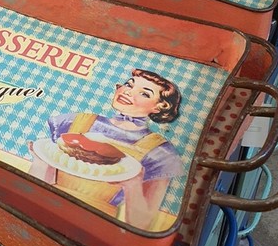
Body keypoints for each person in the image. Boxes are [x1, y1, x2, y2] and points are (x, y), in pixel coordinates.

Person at [30, 69, 183, 231]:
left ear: (160, 107)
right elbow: (38, 183)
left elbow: (141, 224)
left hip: (95, 225)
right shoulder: (75, 120)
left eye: (144, 93)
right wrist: (40, 159)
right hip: (44, 206)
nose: (128, 92)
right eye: (128, 85)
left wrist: (133, 185)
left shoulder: (160, 152)